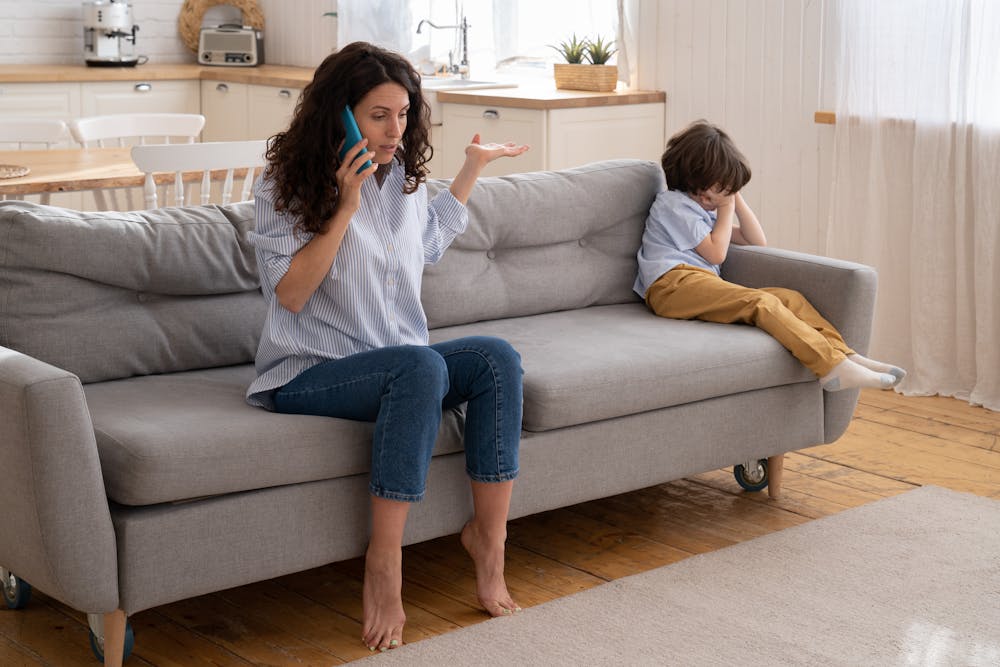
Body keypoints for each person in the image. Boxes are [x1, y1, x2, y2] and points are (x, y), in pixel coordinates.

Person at [245, 42, 530, 652]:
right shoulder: (280, 185)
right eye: (379, 115)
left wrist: (471, 170)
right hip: (309, 372)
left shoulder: (401, 176)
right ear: (340, 116)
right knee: (419, 363)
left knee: (495, 359)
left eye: (404, 113)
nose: (395, 129)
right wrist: (344, 208)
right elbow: (291, 295)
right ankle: (384, 563)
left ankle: (488, 539)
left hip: (403, 365)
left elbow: (421, 248)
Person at [635, 120, 906, 392]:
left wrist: (735, 197)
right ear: (692, 182)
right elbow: (717, 254)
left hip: (693, 283)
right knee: (761, 303)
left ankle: (844, 355)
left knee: (790, 298)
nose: (717, 200)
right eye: (714, 191)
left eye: (724, 190)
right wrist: (727, 207)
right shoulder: (672, 205)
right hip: (670, 287)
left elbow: (756, 240)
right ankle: (831, 367)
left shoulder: (704, 210)